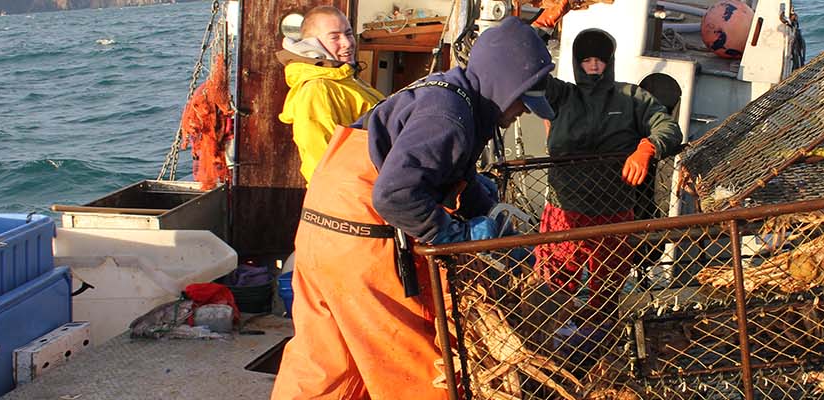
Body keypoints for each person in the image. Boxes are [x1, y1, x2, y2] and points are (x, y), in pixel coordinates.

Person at [270, 18, 556, 399]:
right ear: (504, 84)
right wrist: (458, 236)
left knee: (326, 362)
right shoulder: (449, 117)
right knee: (416, 367)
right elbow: (394, 196)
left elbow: (448, 173)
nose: (523, 111)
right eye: (523, 99)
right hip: (363, 244)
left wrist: (486, 211)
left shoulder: (446, 94)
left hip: (318, 234)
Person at [533, 30, 684, 314]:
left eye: (599, 60)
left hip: (613, 213)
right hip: (563, 212)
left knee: (606, 289)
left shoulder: (632, 98)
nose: (593, 66)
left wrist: (647, 148)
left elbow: (669, 127)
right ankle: (554, 336)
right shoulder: (561, 95)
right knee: (554, 286)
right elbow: (526, 77)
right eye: (586, 59)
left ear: (610, 62)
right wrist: (534, 33)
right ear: (577, 62)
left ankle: (601, 335)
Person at [277, 5, 385, 185]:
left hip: (371, 189)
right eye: (335, 37)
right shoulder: (316, 90)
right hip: (349, 199)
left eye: (349, 33)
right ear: (312, 45)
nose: (347, 43)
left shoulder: (346, 79)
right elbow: (322, 159)